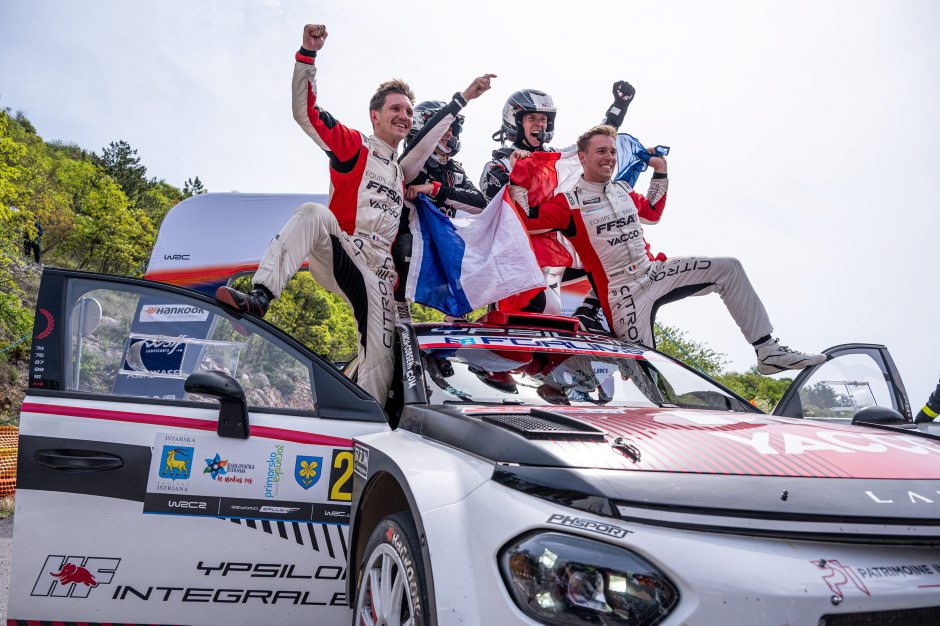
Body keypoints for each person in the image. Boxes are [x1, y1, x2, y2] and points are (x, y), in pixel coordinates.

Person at [216, 23, 494, 406]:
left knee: (381, 368)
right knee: (313, 212)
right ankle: (260, 297)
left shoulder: (402, 171)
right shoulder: (354, 146)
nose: (404, 115)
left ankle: (364, 422)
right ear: (374, 115)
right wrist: (308, 55)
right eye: (395, 108)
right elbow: (305, 113)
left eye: (408, 111)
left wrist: (463, 99)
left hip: (380, 278)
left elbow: (427, 141)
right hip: (344, 251)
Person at [512, 124, 826, 374]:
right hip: (622, 296)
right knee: (647, 377)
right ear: (582, 157)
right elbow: (525, 221)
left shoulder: (622, 189)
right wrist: (519, 179)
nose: (609, 157)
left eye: (612, 151)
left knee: (729, 267)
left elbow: (652, 212)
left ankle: (767, 350)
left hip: (654, 272)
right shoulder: (567, 203)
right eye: (601, 151)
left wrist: (660, 171)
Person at [480, 83, 634, 316]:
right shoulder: (498, 165)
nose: (540, 124)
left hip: (555, 251)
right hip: (516, 256)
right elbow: (495, 213)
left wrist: (619, 106)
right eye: (532, 118)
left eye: (544, 119)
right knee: (535, 310)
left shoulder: (557, 160)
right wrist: (516, 173)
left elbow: (594, 145)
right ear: (516, 122)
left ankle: (588, 313)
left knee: (618, 255)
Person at [403, 101, 487, 217]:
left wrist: (436, 190)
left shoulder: (455, 170)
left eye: (451, 129)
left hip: (443, 228)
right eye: (444, 128)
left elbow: (481, 203)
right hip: (408, 227)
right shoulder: (409, 164)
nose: (450, 134)